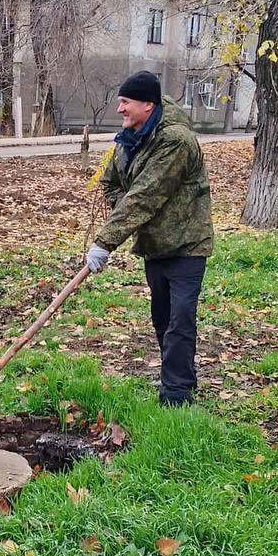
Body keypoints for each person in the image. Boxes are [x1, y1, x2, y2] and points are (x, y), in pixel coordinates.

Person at [86, 71, 213, 407]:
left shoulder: (175, 141)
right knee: (162, 318)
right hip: (156, 245)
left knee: (179, 321)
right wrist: (128, 211)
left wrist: (106, 240)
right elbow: (113, 183)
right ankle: (179, 378)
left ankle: (176, 396)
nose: (119, 109)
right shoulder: (132, 136)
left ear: (147, 104)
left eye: (125, 102)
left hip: (186, 244)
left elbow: (145, 194)